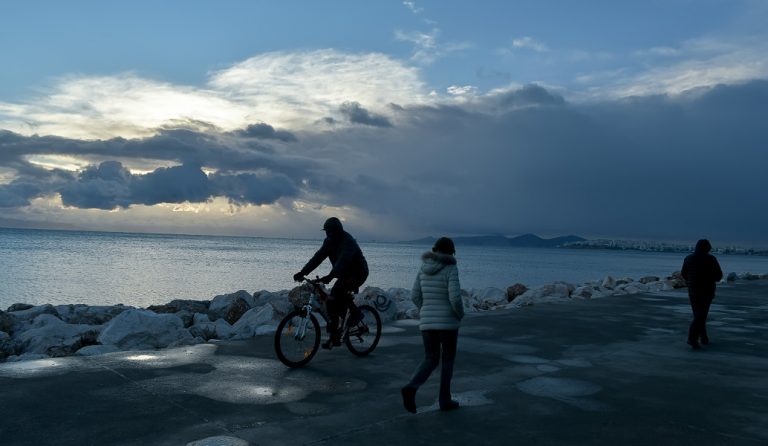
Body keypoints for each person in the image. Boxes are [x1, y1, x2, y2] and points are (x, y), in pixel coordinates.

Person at [401, 237, 464, 413]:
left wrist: (426, 310)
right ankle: (445, 400)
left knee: (431, 358)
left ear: (435, 250)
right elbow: (455, 298)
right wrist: (459, 314)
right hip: (448, 324)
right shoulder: (451, 268)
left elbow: (414, 295)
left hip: (427, 323)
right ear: (451, 252)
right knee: (448, 360)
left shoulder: (423, 268)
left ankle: (412, 386)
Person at [293, 217, 369, 349]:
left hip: (358, 273)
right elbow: (317, 258)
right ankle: (335, 336)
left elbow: (343, 261)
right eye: (327, 232)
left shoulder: (348, 241)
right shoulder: (329, 242)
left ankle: (356, 314)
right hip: (343, 274)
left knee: (339, 293)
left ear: (338, 231)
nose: (328, 234)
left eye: (330, 232)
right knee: (332, 302)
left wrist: (331, 276)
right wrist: (303, 272)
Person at [681, 239, 723, 350]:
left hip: (692, 291)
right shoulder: (711, 259)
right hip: (706, 291)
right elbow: (719, 276)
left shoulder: (688, 258)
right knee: (701, 315)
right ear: (707, 248)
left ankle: (704, 337)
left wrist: (691, 281)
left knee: (699, 315)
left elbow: (684, 274)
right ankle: (692, 338)